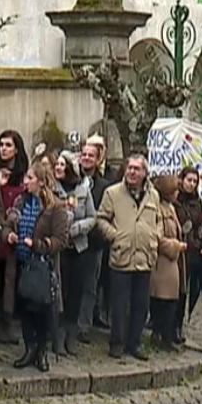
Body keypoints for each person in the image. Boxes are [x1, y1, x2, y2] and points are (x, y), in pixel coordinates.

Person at [2, 162, 68, 372]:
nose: (25, 182)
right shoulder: (21, 202)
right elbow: (7, 225)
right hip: (21, 263)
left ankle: (41, 351)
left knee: (42, 311)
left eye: (30, 178)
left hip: (42, 267)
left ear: (40, 181)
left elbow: (61, 240)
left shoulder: (55, 207)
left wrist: (39, 245)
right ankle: (29, 348)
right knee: (24, 310)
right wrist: (9, 235)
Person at [95, 154, 161, 361]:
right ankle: (116, 342)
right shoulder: (112, 193)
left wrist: (155, 237)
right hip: (121, 256)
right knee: (119, 304)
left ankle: (134, 343)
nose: (132, 172)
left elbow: (158, 220)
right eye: (129, 168)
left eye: (136, 169)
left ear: (144, 173)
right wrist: (115, 236)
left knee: (141, 305)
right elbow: (101, 219)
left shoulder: (153, 195)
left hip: (144, 257)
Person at [54, 151, 96, 357]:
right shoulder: (53, 190)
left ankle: (71, 333)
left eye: (62, 164)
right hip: (59, 250)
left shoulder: (83, 190)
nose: (58, 168)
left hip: (78, 248)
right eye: (57, 165)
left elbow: (92, 218)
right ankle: (58, 335)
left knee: (76, 293)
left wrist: (77, 228)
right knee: (60, 293)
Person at [0, 130, 29, 345]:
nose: (4, 149)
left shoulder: (22, 176)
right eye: (1, 144)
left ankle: (6, 322)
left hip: (15, 234)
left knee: (10, 281)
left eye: (8, 145)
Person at [148, 175, 188, 353]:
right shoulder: (158, 210)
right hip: (163, 262)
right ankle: (163, 336)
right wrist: (176, 246)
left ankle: (165, 335)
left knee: (172, 299)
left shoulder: (171, 208)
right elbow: (157, 237)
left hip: (173, 262)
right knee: (165, 300)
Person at [77, 142, 111, 341]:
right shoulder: (73, 179)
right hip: (74, 240)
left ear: (98, 159)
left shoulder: (104, 186)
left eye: (91, 155)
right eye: (84, 154)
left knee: (90, 286)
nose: (87, 158)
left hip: (93, 243)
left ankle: (84, 325)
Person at [173, 166, 202, 344]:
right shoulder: (174, 199)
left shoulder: (197, 203)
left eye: (194, 181)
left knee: (183, 291)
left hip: (190, 253)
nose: (191, 184)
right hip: (175, 249)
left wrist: (199, 238)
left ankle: (178, 325)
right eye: (189, 180)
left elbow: (200, 224)